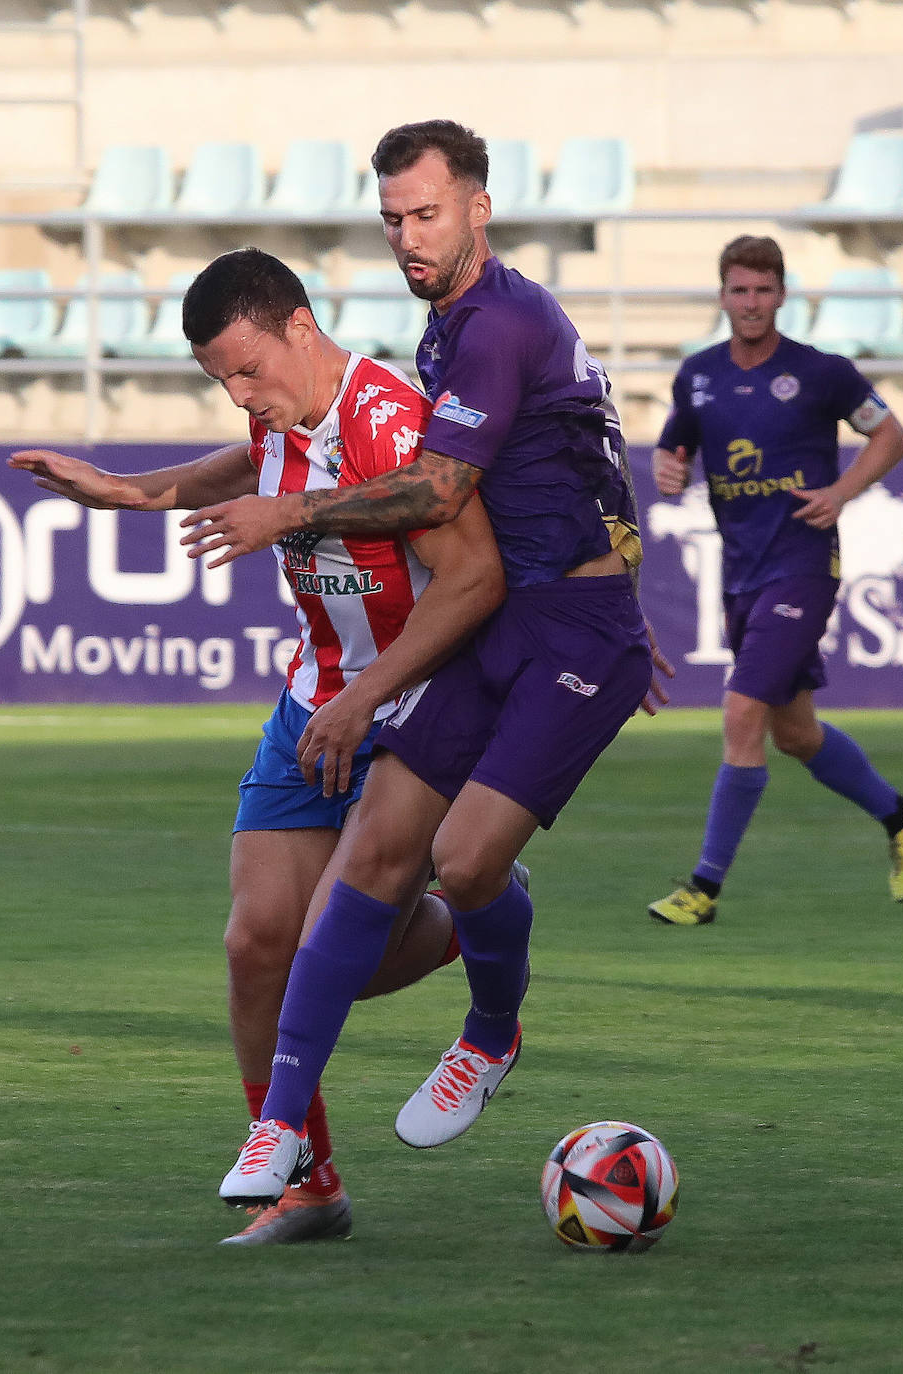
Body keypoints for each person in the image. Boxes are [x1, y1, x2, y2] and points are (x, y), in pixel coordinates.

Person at [178, 120, 671, 1215]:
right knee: (375, 859)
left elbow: (443, 497)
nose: (407, 234)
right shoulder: (451, 327)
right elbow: (589, 443)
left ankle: (492, 1032)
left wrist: (291, 515)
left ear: (478, 209)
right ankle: (281, 1139)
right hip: (522, 617)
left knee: (462, 861)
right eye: (393, 217)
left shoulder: (494, 325)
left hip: (564, 626)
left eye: (427, 212)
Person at [9, 247, 507, 1244]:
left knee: (341, 956)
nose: (241, 395)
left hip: (406, 711)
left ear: (299, 326)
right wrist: (127, 491)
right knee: (255, 946)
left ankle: (472, 908)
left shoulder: (390, 422)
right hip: (311, 706)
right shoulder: (274, 411)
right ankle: (309, 1185)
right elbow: (250, 463)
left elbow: (475, 580)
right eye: (222, 382)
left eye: (249, 371)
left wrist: (366, 697)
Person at [647, 234, 903, 928]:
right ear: (723, 296)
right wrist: (667, 463)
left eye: (763, 290)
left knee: (742, 712)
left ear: (783, 295)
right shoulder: (700, 375)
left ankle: (703, 889)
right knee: (797, 734)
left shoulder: (821, 373)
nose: (751, 303)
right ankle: (902, 814)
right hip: (741, 574)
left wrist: (841, 492)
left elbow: (891, 437)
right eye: (739, 290)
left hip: (803, 567)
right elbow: (675, 441)